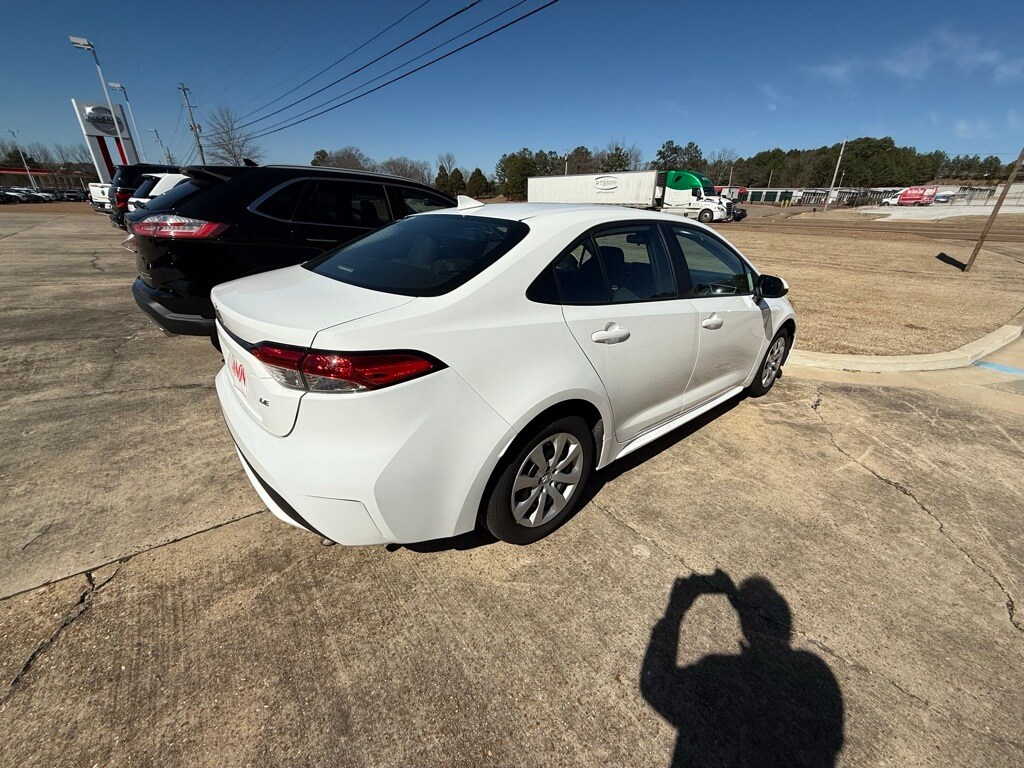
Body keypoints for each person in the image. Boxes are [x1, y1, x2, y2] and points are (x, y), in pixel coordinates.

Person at [641, 571, 844, 767]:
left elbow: (656, 683)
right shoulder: (816, 673)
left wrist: (675, 610)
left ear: (743, 620)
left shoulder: (720, 673)